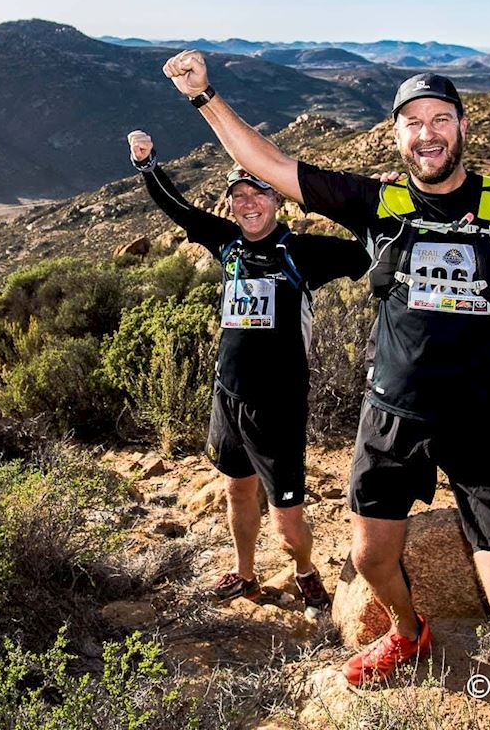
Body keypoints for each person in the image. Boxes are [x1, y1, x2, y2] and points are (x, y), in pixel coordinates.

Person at [160, 52, 490, 730]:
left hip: (484, 424)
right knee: (371, 558)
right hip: (392, 420)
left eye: (439, 121)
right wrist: (204, 98)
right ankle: (408, 631)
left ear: (462, 126)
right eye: (412, 124)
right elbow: (271, 165)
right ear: (395, 134)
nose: (427, 135)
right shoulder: (378, 202)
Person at [127, 128, 371, 615]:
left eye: (257, 192)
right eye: (238, 197)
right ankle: (243, 573)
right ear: (231, 207)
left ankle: (304, 571)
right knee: (236, 488)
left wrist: (364, 200)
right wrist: (148, 164)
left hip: (276, 405)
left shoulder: (302, 252)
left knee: (285, 521)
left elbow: (367, 250)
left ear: (276, 200)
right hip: (228, 395)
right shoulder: (227, 243)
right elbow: (179, 209)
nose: (247, 204)